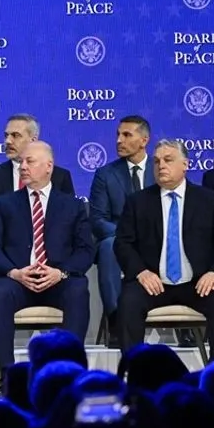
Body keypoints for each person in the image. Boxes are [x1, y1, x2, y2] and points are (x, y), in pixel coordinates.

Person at [114, 140, 214, 357]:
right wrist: (141, 272)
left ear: (185, 165)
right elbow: (122, 243)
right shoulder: (138, 201)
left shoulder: (211, 201)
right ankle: (133, 371)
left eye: (168, 160)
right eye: (156, 161)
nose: (161, 165)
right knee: (128, 302)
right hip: (153, 283)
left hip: (197, 283)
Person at [0, 141, 94, 375]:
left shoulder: (72, 206)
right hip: (18, 281)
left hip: (58, 279)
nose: (23, 166)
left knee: (78, 288)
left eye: (29, 161)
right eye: (21, 162)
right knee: (0, 289)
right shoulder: (4, 204)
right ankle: (7, 373)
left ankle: (69, 370)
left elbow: (86, 250)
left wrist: (61, 273)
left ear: (48, 166)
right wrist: (14, 272)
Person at [0, 114, 74, 353]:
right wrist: (5, 235)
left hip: (45, 246)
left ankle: (61, 335)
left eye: (15, 135)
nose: (8, 141)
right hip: (4, 247)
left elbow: (68, 217)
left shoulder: (59, 176)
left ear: (33, 139)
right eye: (6, 135)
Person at [89, 115, 152, 345]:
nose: (119, 140)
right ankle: (116, 321)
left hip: (158, 239)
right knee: (107, 246)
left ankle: (184, 322)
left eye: (126, 135)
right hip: (118, 239)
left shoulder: (161, 169)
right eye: (118, 135)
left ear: (144, 140)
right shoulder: (105, 174)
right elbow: (98, 220)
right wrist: (126, 237)